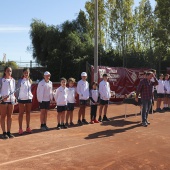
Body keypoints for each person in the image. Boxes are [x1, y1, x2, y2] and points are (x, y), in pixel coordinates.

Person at [16, 68, 33, 135]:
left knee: (28, 113)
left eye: (27, 73)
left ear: (29, 73)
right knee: (21, 113)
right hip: (21, 99)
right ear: (23, 73)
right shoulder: (20, 80)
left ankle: (28, 127)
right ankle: (20, 128)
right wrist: (18, 98)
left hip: (29, 99)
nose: (26, 74)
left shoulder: (30, 81)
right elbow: (17, 90)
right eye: (25, 72)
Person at [0, 66, 16, 139]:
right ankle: (4, 132)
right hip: (3, 101)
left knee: (10, 116)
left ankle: (9, 132)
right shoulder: (1, 80)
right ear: (5, 72)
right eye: (8, 71)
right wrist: (2, 97)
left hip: (11, 100)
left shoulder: (13, 80)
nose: (9, 72)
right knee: (3, 116)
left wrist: (14, 97)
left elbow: (13, 91)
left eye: (10, 71)